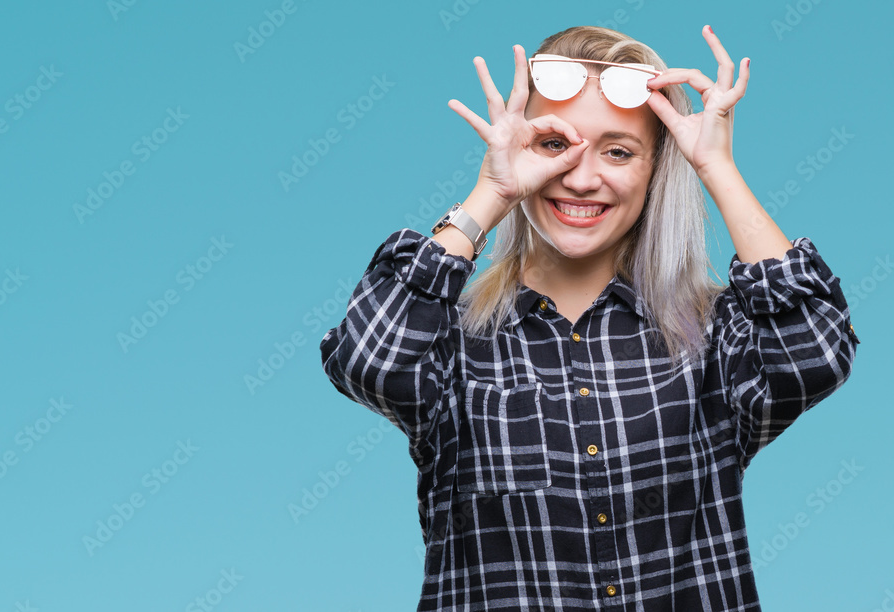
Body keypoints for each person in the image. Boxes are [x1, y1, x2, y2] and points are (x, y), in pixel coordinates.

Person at [319, 24, 859, 611]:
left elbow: (815, 355)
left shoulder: (709, 338)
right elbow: (367, 359)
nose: (581, 178)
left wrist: (715, 167)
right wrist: (489, 196)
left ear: (656, 170)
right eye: (555, 145)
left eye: (619, 151)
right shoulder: (454, 343)